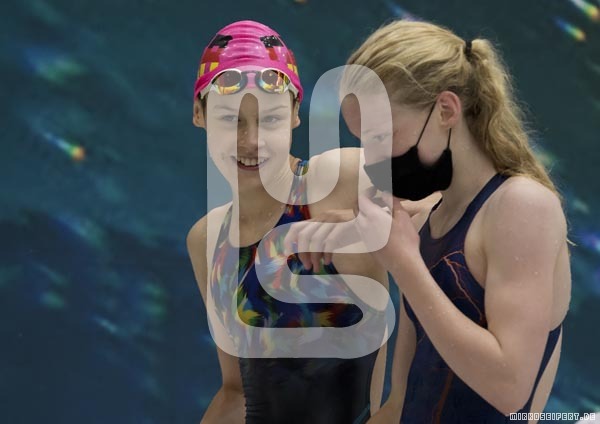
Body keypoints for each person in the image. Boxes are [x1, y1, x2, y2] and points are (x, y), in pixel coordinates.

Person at [286, 20, 571, 423]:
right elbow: (400, 406)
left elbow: (509, 387)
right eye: (363, 141)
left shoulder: (523, 207)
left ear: (446, 110)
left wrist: (404, 264)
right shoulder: (427, 225)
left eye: (381, 136)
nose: (371, 159)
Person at [185, 20, 436, 424]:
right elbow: (235, 392)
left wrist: (364, 228)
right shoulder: (206, 239)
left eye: (270, 120)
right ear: (199, 115)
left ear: (294, 116)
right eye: (231, 120)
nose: (251, 141)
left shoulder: (337, 181)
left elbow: (448, 208)